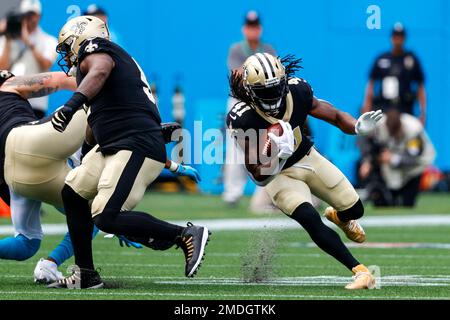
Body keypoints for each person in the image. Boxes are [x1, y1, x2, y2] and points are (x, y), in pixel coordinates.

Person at [48, 16, 210, 289]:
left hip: (134, 142)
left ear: (82, 36)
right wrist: (86, 157)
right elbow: (93, 125)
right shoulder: (96, 70)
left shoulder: (96, 49)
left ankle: (184, 234)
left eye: (66, 47)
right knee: (73, 192)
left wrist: (71, 104)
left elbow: (100, 70)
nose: (66, 55)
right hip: (115, 144)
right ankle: (85, 274)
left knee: (106, 216)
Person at [0, 70, 200, 284]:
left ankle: (57, 264)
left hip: (12, 176)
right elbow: (63, 81)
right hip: (26, 142)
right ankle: (136, 128)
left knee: (29, 242)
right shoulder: (8, 85)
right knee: (92, 102)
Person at [227, 53, 384, 289]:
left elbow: (335, 115)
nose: (272, 97)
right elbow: (257, 174)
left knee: (355, 208)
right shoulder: (242, 118)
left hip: (308, 158)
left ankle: (339, 217)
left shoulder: (297, 91)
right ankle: (360, 271)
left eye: (275, 89)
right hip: (277, 175)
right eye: (264, 92)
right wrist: (272, 151)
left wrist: (357, 126)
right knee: (309, 217)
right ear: (250, 91)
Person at [223, 10, 276, 208]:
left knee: (266, 144)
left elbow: (275, 75)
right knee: (236, 148)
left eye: (256, 27)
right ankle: (232, 193)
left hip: (262, 103)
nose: (253, 31)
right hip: (239, 102)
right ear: (244, 29)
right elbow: (237, 75)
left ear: (259, 29)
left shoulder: (268, 48)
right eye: (249, 27)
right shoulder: (237, 49)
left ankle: (265, 190)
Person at [359, 108, 435, 207]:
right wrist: (367, 160)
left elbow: (414, 158)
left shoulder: (414, 129)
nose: (393, 136)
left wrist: (393, 158)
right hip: (390, 169)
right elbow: (364, 140)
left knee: (407, 204)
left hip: (414, 168)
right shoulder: (378, 125)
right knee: (383, 204)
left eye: (395, 132)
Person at [0, 0, 58, 118]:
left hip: (35, 102)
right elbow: (2, 68)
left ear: (39, 16)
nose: (29, 19)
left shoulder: (48, 40)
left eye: (32, 15)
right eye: (25, 15)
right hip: (9, 98)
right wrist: (8, 38)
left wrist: (29, 42)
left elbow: (46, 65)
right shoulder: (7, 39)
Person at [362, 23, 427, 124]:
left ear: (404, 38)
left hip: (405, 109)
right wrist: (366, 108)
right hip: (383, 109)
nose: (398, 39)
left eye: (400, 36)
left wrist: (423, 112)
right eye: (395, 36)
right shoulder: (382, 59)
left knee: (409, 136)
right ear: (391, 38)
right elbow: (371, 85)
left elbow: (420, 87)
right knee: (380, 137)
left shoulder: (412, 59)